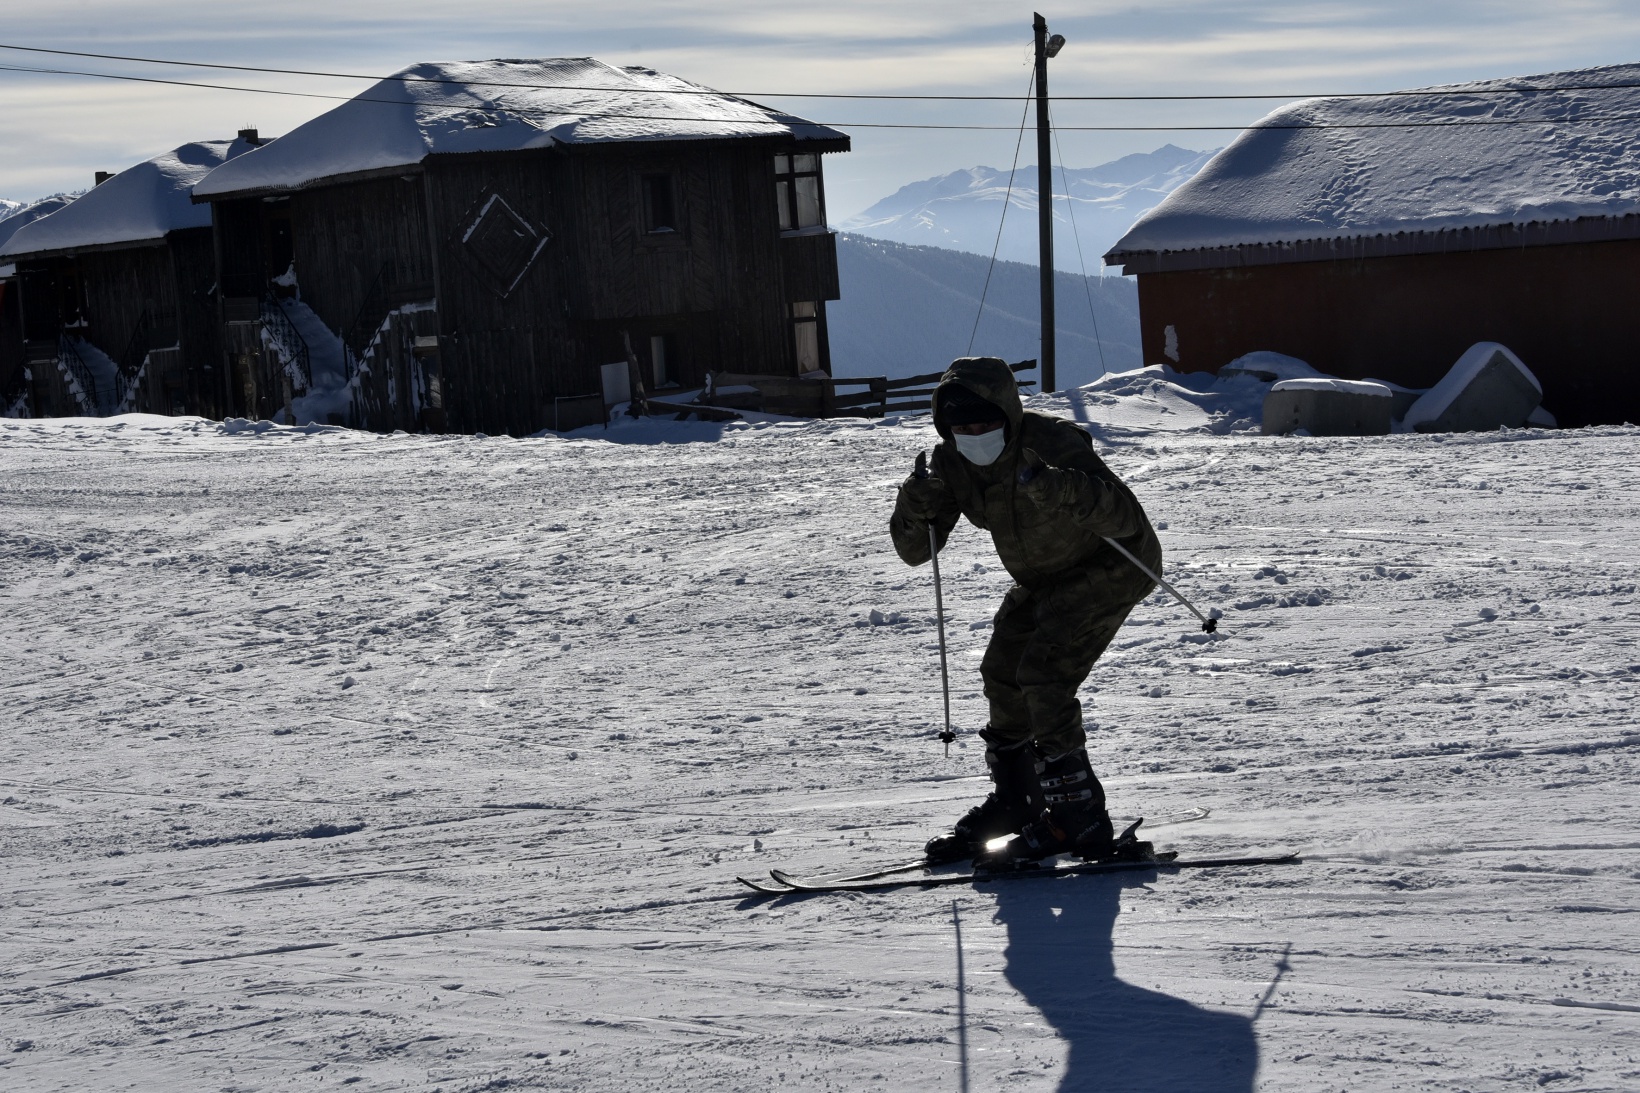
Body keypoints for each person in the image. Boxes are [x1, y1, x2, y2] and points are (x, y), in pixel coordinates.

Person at [890, 356, 1162, 865]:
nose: (973, 434)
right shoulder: (951, 463)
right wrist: (916, 505)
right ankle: (1021, 800)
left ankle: (1077, 817)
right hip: (1043, 578)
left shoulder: (1053, 443)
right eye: (961, 427)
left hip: (1114, 564)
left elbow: (1125, 518)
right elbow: (915, 551)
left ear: (1009, 414)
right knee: (1002, 671)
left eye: (985, 422)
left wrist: (1060, 486)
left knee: (1044, 672)